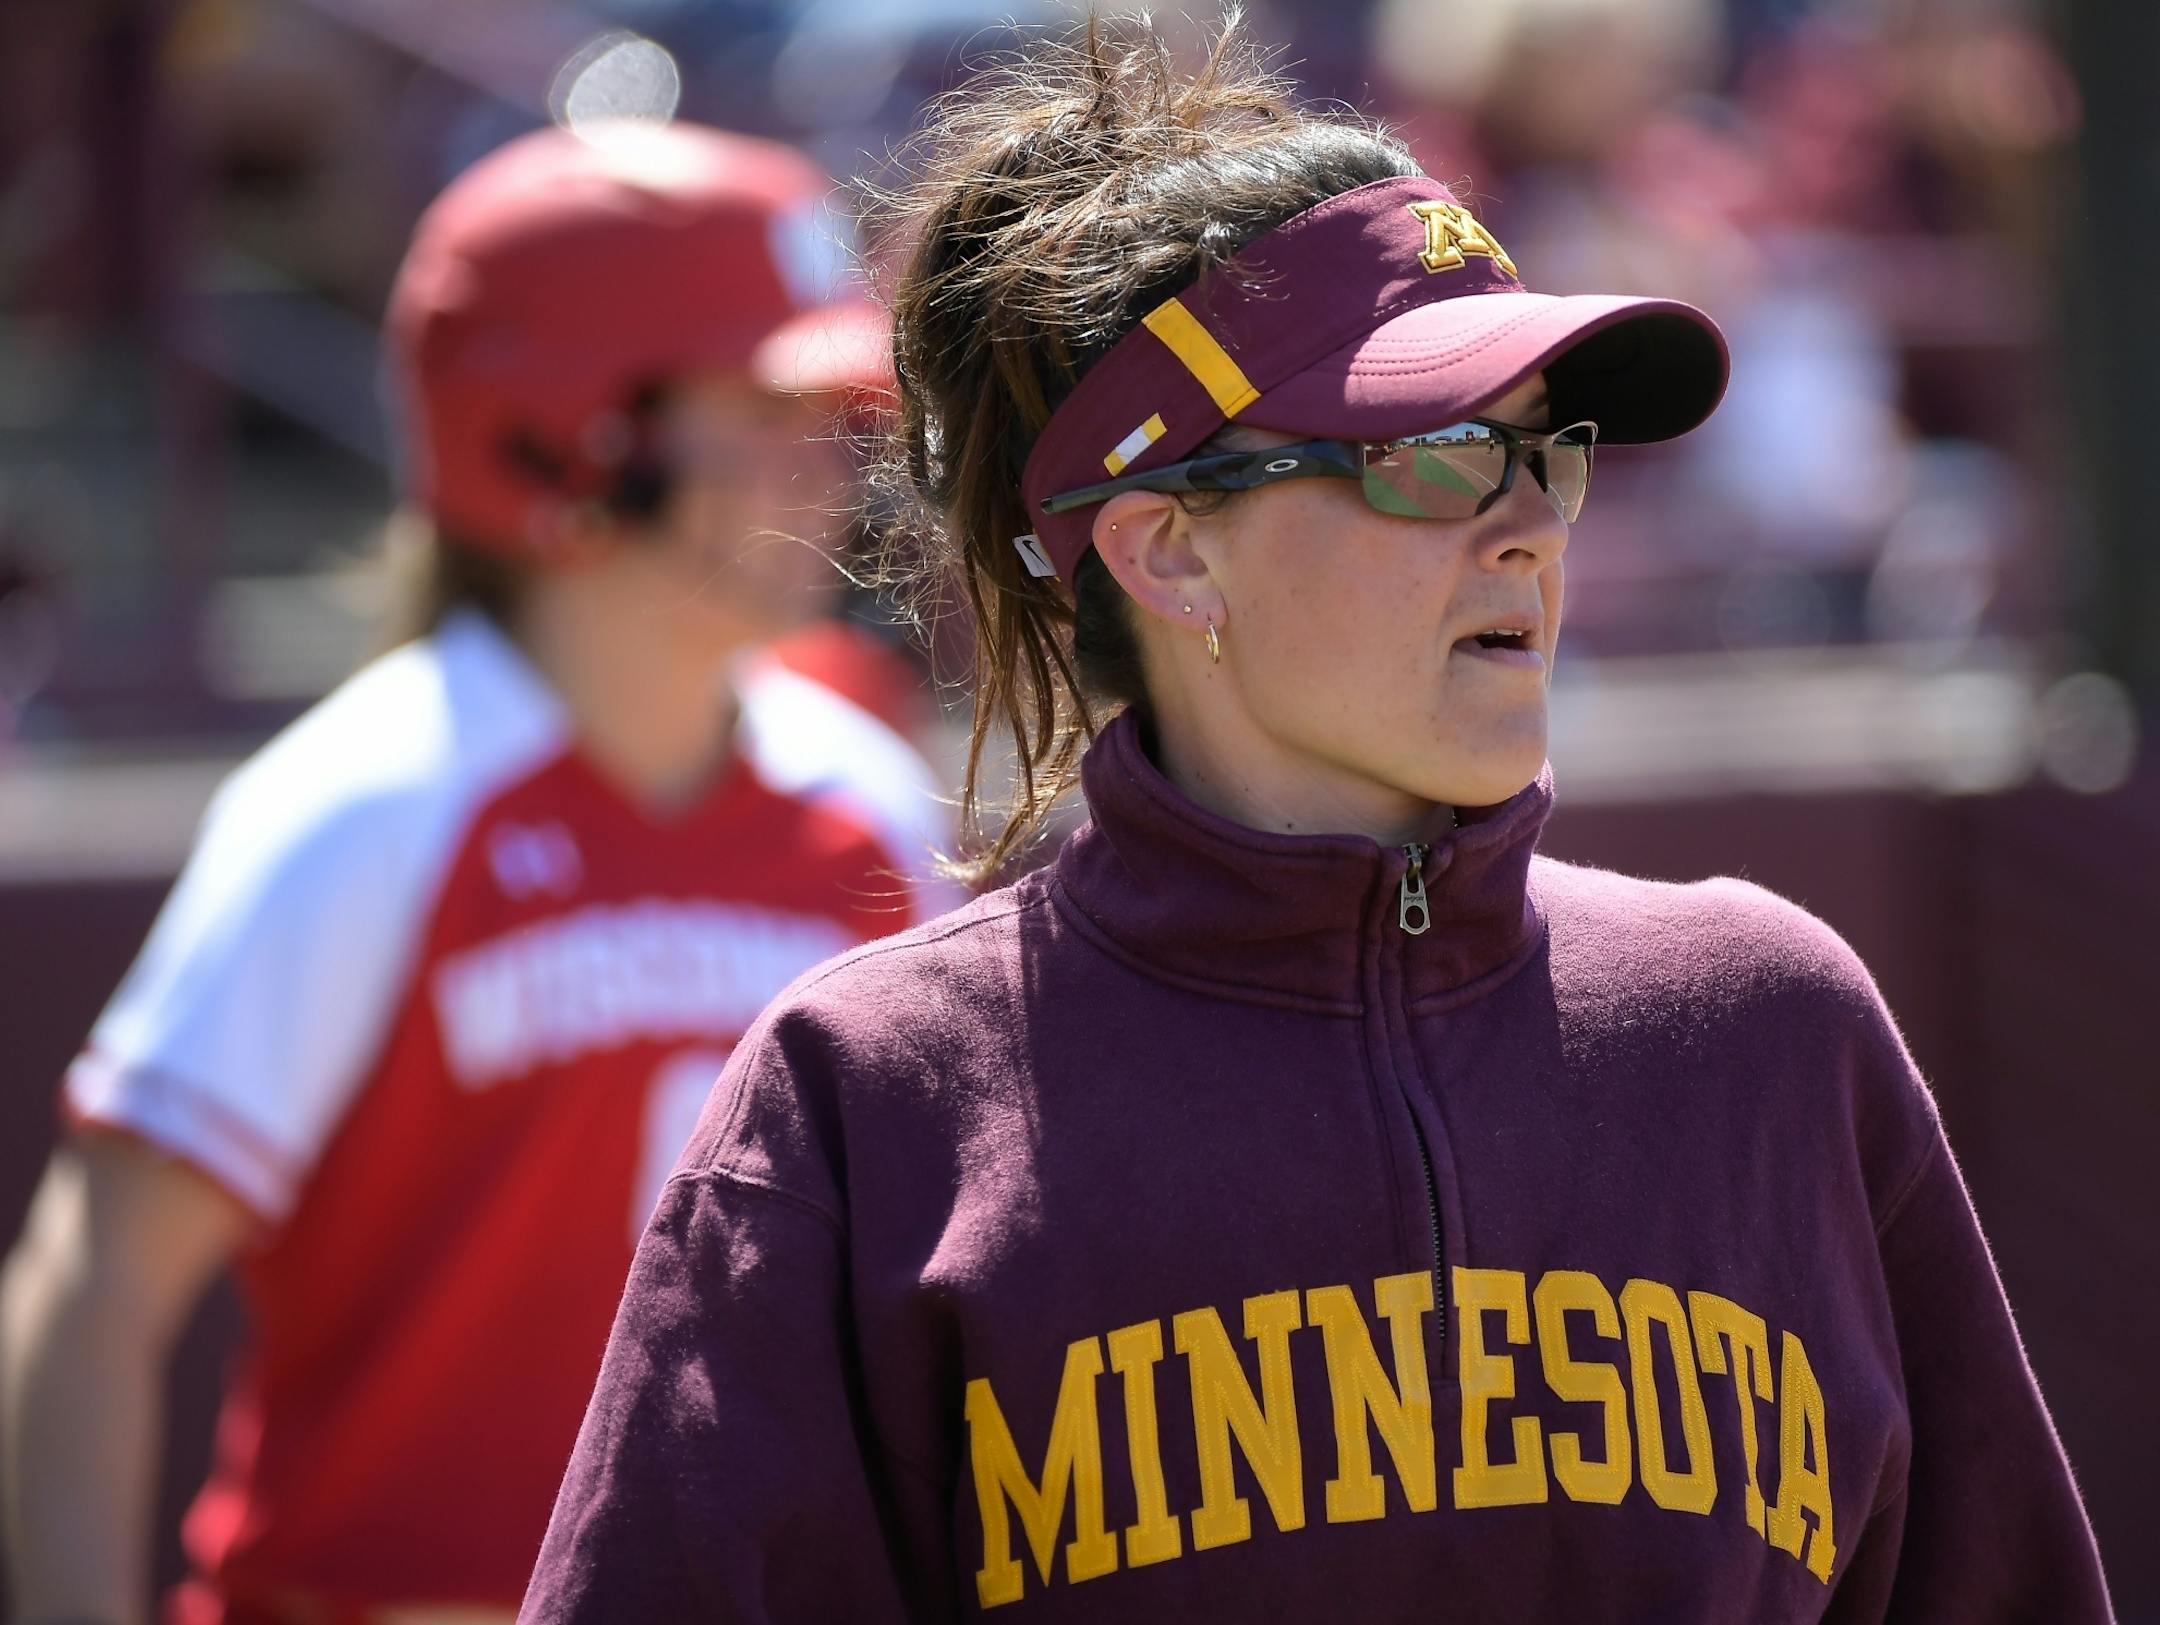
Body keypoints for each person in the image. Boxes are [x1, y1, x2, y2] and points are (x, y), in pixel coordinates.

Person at [519, 22, 2112, 1625]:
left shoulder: (1773, 1029)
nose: (1522, 531)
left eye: (1541, 452)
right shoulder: (870, 1104)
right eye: (1431, 456)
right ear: (1165, 550)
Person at [0, 119, 955, 1625]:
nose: (825, 468)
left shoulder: (870, 803)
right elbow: (95, 1281)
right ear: (570, 429)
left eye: (836, 416)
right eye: (767, 406)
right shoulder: (371, 798)